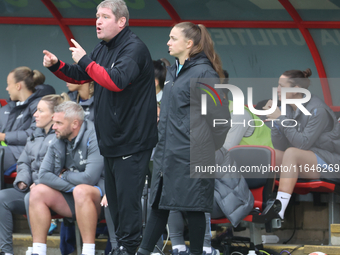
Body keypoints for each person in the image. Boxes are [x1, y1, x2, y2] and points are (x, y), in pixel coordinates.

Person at [42, 1, 157, 253]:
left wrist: (85, 59)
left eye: (104, 16)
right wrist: (56, 66)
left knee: (127, 205)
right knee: (115, 206)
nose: (98, 21)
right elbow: (81, 74)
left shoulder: (134, 48)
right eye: (97, 16)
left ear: (121, 22)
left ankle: (128, 249)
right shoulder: (103, 47)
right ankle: (122, 247)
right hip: (111, 142)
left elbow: (115, 81)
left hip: (133, 141)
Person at [137, 22, 230, 255]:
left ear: (189, 43)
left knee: (195, 208)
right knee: (159, 206)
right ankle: (143, 252)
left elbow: (220, 118)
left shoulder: (204, 73)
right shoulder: (172, 72)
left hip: (192, 155)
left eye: (172, 38)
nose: (168, 42)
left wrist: (204, 147)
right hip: (166, 155)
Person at [28, 101, 105, 255]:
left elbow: (90, 178)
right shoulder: (59, 138)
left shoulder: (94, 135)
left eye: (58, 123)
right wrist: (71, 186)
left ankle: (88, 251)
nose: (53, 126)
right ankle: (38, 251)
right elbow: (43, 175)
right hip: (72, 195)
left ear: (75, 124)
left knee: (82, 191)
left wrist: (65, 175)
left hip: (101, 199)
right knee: (37, 191)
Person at [263, 68, 340, 219]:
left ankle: (280, 209)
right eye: (278, 85)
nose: (278, 90)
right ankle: (260, 204)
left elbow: (302, 144)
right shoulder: (285, 106)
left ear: (297, 89)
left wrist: (280, 119)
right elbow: (279, 146)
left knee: (292, 153)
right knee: (271, 154)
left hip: (331, 163)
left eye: (282, 86)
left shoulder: (318, 110)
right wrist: (275, 122)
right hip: (306, 160)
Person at [0, 94, 66, 255]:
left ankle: (38, 249)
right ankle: (6, 251)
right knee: (2, 198)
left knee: (33, 196)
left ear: (53, 115)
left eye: (40, 111)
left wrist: (42, 184)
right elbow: (23, 162)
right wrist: (23, 179)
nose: (35, 114)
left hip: (54, 193)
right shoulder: (34, 134)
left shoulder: (62, 136)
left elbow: (62, 168)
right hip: (30, 188)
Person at [0, 67, 53, 171]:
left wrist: (4, 136)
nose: (7, 88)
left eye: (8, 84)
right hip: (7, 151)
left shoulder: (38, 105)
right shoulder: (8, 107)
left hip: (24, 155)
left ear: (18, 86)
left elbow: (34, 134)